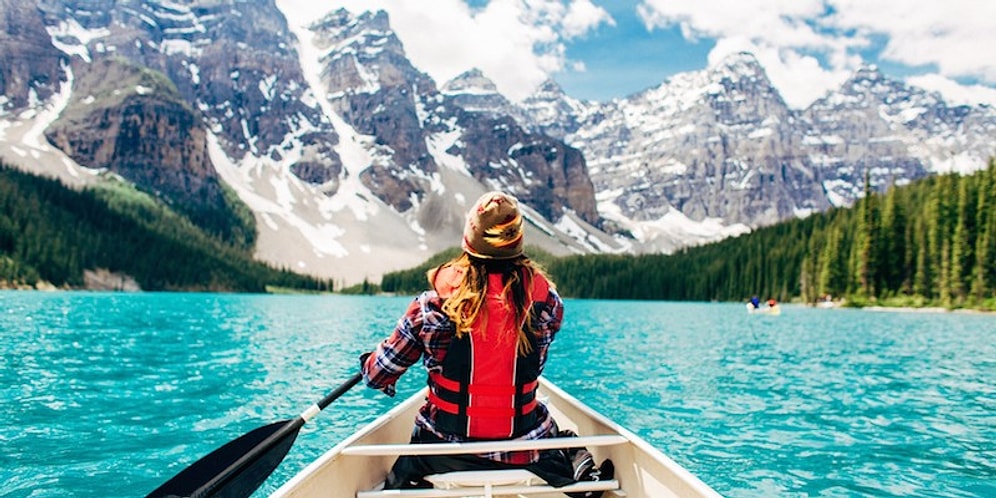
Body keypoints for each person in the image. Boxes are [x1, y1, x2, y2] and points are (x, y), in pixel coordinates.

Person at [360, 191, 612, 496]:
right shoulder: (548, 305)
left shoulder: (430, 307)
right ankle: (579, 473)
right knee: (559, 435)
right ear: (517, 242)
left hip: (441, 452)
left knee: (400, 476)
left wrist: (370, 362)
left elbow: (377, 376)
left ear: (469, 240)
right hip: (526, 450)